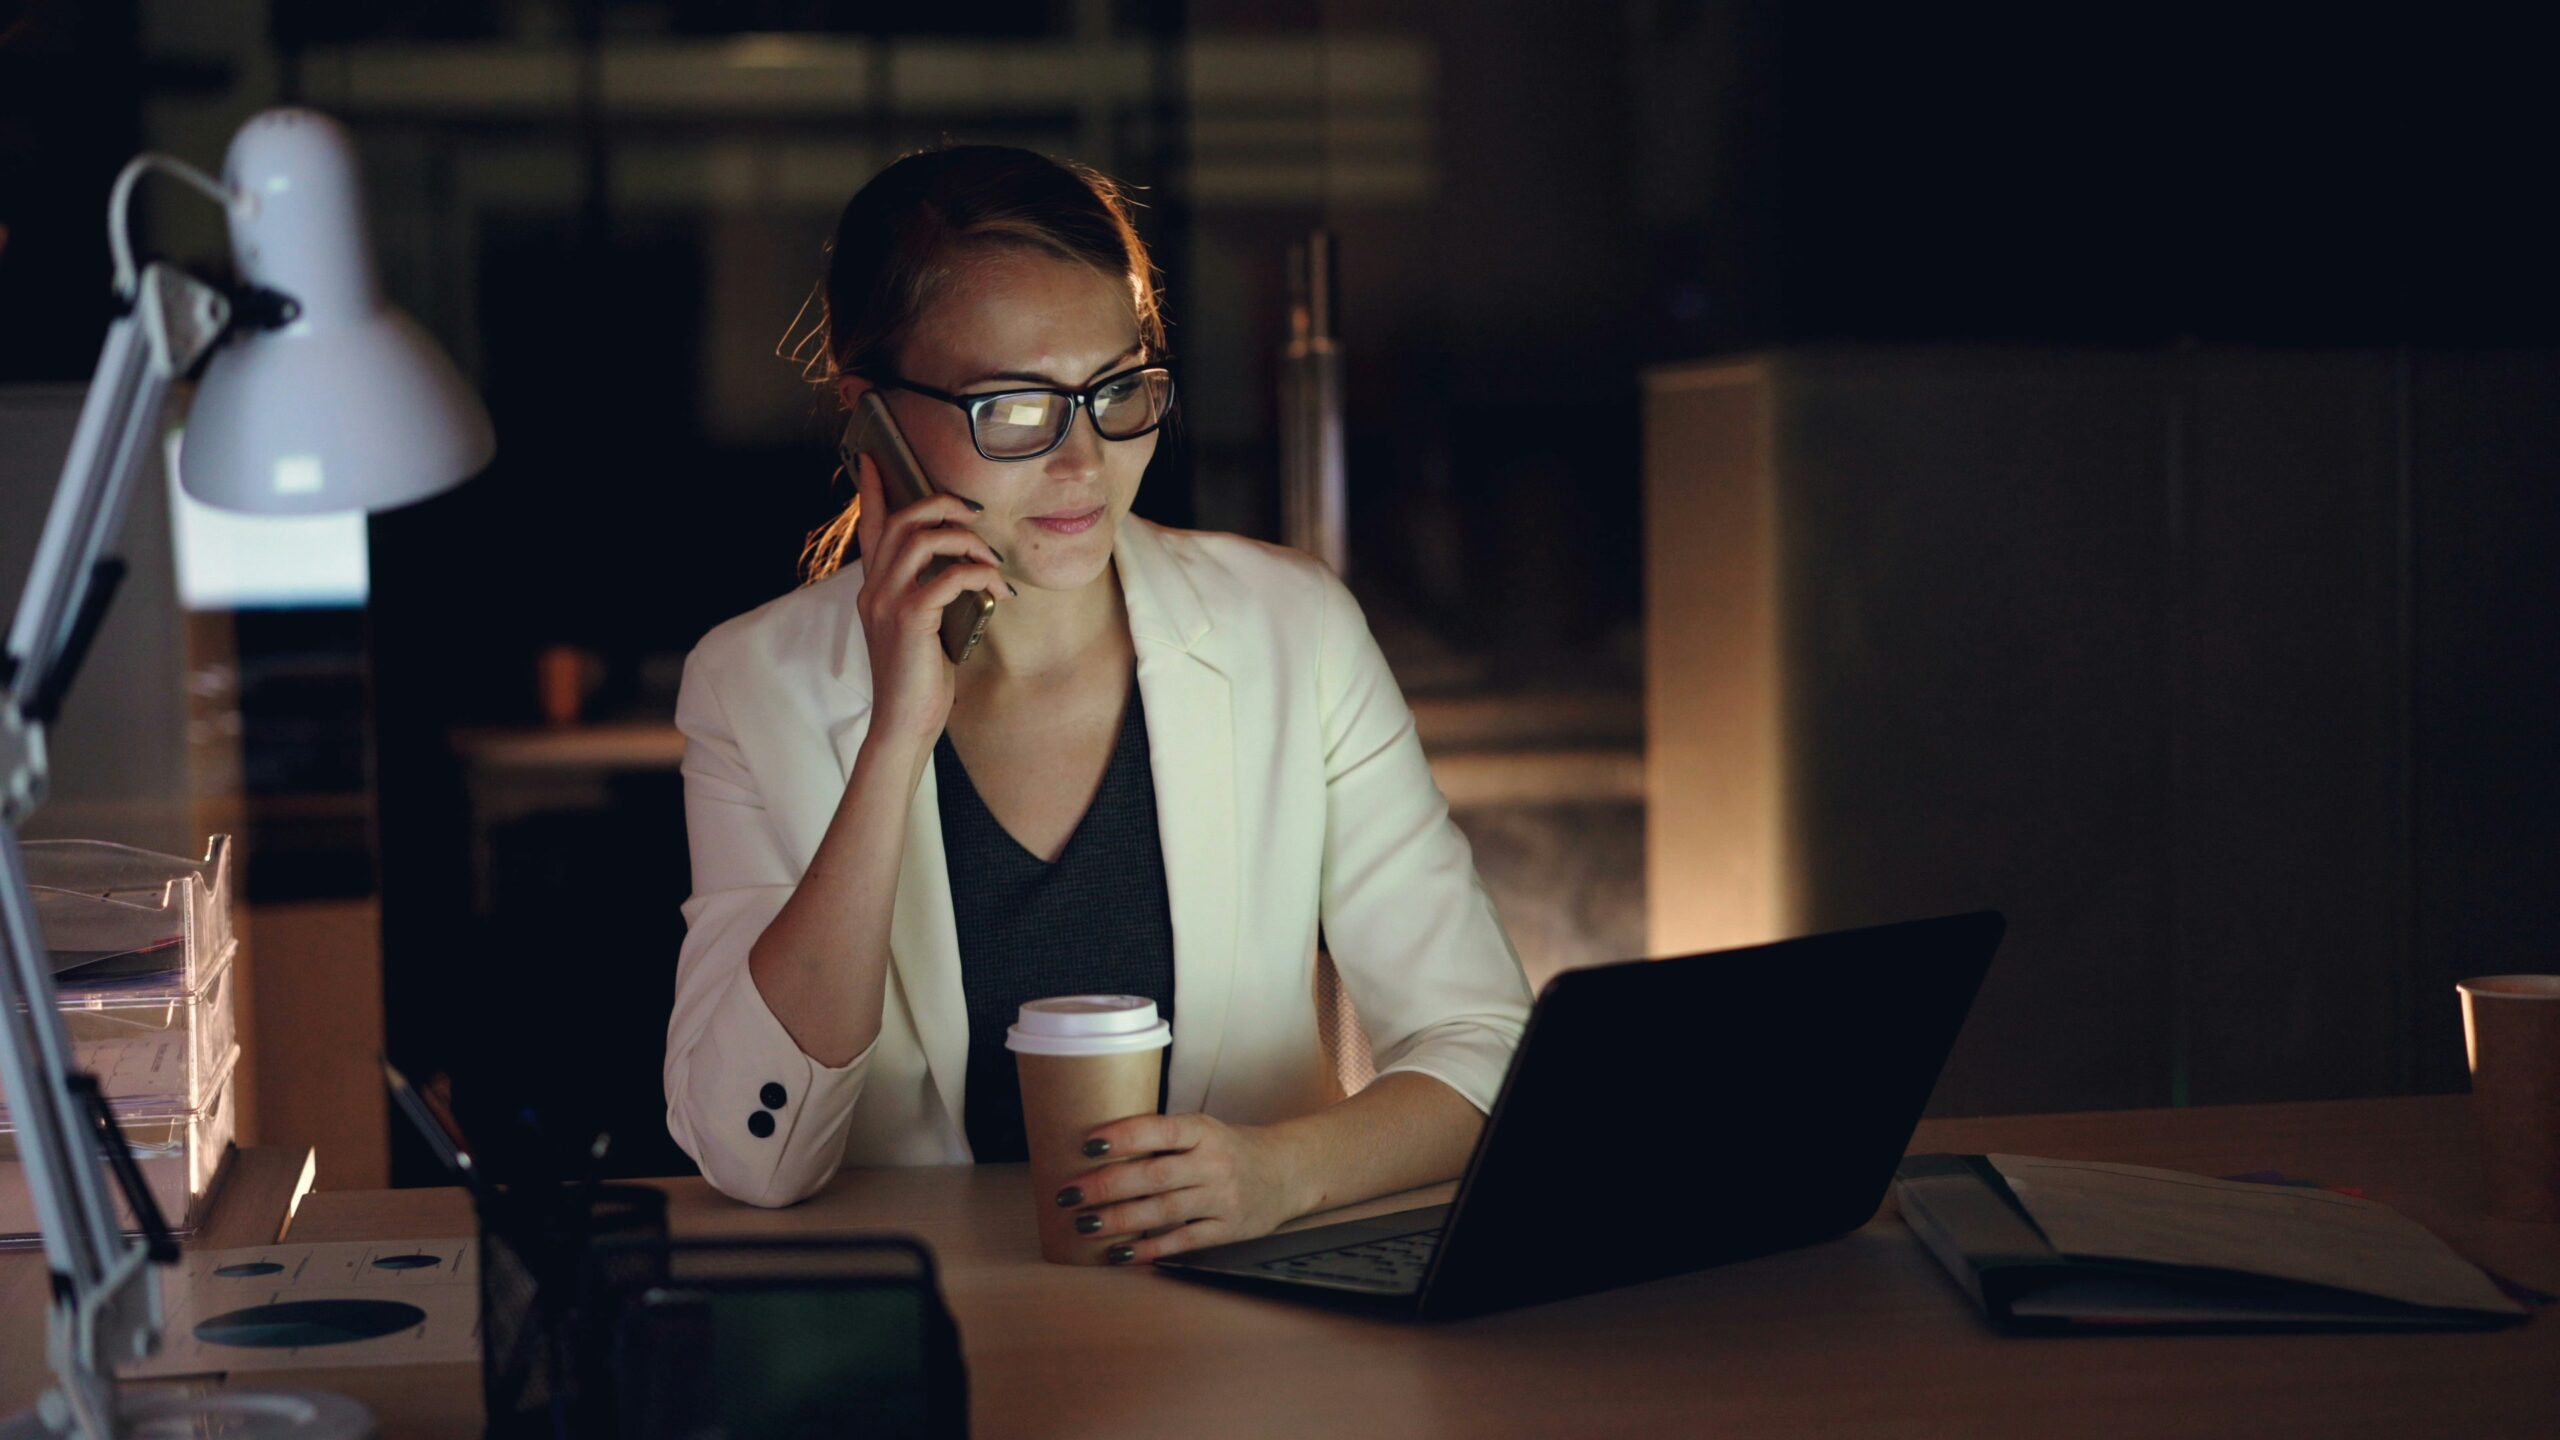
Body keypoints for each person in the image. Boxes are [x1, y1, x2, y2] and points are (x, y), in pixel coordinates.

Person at [663, 144, 1532, 1264]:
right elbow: (754, 1156)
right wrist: (895, 740)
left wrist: (1280, 1174)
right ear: (870, 417)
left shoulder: (1290, 630)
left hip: (1250, 1338)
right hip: (933, 1336)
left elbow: (1485, 1047)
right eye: (1013, 408)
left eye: (1117, 391)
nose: (1083, 462)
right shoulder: (752, 685)